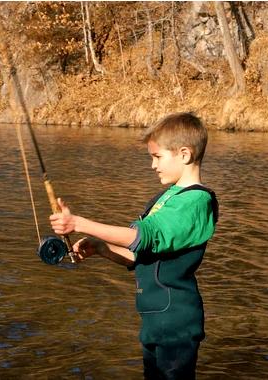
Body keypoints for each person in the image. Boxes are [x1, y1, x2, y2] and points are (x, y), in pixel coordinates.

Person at [50, 112, 218, 379]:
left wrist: (78, 223)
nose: (152, 165)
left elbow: (144, 236)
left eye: (157, 157)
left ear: (184, 154)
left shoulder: (196, 201)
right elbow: (138, 252)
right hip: (154, 321)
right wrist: (102, 248)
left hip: (176, 325)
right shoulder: (169, 197)